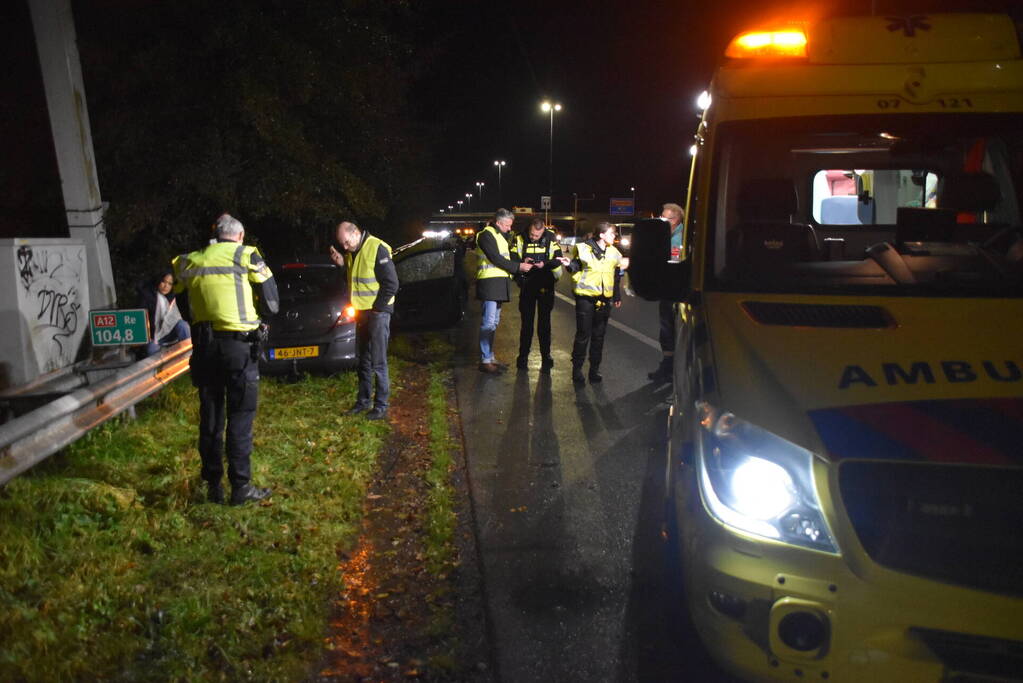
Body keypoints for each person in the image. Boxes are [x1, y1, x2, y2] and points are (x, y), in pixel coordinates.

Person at [172, 214, 279, 506]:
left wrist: (197, 319)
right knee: (240, 417)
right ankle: (240, 488)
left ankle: (213, 486)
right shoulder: (248, 256)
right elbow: (272, 301)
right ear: (240, 236)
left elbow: (177, 296)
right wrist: (263, 322)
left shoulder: (188, 260)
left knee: (211, 417)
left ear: (215, 235)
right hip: (239, 349)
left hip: (205, 348)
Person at [329, 220, 398, 420]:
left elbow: (392, 284)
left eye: (346, 242)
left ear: (356, 233)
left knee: (378, 362)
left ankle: (381, 405)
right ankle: (363, 401)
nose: (345, 246)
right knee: (363, 362)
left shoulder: (377, 248)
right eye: (342, 243)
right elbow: (354, 282)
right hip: (362, 314)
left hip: (377, 314)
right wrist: (342, 264)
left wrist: (378, 310)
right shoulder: (352, 253)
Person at [565, 221, 629, 384]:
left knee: (599, 337)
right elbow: (576, 266)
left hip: (604, 300)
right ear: (601, 234)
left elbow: (615, 276)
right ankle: (577, 370)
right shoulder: (583, 248)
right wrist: (569, 265)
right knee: (583, 335)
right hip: (586, 298)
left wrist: (617, 295)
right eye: (611, 233)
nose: (614, 236)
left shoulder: (614, 252)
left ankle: (594, 370)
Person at [475, 208, 534, 373]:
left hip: (498, 283)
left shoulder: (499, 236)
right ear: (499, 222)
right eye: (507, 225)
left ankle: (489, 357)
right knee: (488, 323)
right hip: (489, 283)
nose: (510, 228)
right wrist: (519, 267)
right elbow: (495, 258)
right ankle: (485, 360)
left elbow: (504, 257)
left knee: (493, 323)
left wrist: (521, 260)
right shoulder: (486, 235)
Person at [511, 216, 563, 373]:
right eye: (532, 234)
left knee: (544, 324)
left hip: (545, 285)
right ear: (529, 229)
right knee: (526, 325)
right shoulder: (519, 238)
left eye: (537, 236)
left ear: (543, 232)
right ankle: (523, 357)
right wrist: (522, 261)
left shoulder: (550, 238)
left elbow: (558, 258)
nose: (534, 238)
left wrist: (544, 263)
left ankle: (546, 357)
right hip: (527, 285)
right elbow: (512, 258)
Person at [648, 202, 684, 382]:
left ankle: (670, 368)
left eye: (663, 218)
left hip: (674, 292)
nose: (660, 221)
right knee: (667, 330)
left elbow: (672, 265)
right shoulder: (668, 235)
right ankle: (669, 367)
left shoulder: (679, 239)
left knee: (669, 330)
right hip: (670, 291)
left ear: (675, 219)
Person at [136, 270, 190, 357]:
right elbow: (140, 320)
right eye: (164, 282)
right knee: (151, 349)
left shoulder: (174, 296)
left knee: (182, 325)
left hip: (171, 334)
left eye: (170, 284)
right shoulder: (147, 296)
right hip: (154, 337)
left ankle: (189, 353)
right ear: (158, 281)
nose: (166, 286)